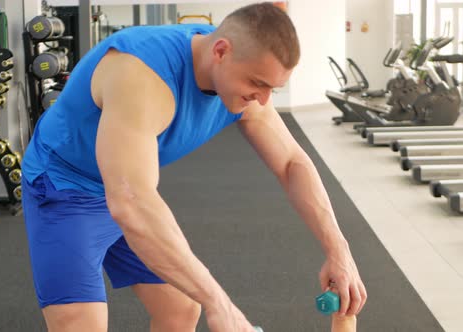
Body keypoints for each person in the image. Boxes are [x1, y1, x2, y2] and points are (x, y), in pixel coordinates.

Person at [21, 2, 367, 331]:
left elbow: (292, 163)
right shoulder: (141, 76)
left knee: (182, 308)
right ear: (220, 52)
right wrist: (221, 303)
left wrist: (340, 249)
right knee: (83, 326)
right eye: (257, 84)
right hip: (65, 188)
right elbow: (129, 201)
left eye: (272, 89)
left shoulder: (237, 69)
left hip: (126, 186)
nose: (263, 101)